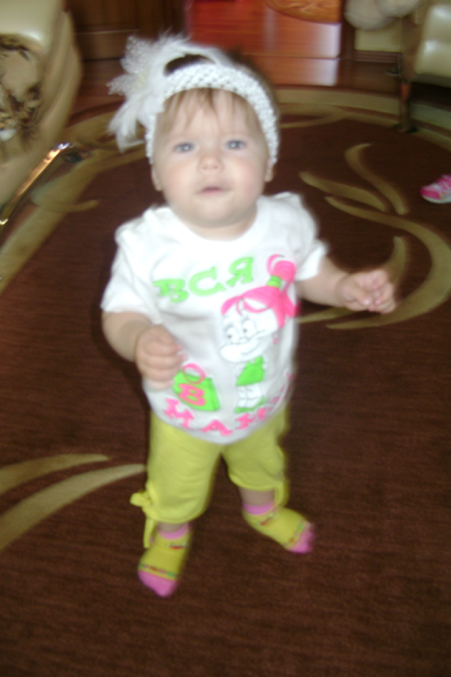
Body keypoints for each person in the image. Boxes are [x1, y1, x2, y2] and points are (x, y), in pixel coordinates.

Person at [101, 35, 397, 597]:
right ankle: (171, 531)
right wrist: (137, 338)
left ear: (268, 162)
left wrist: (344, 286)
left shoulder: (285, 223)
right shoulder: (146, 246)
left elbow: (310, 272)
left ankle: (262, 508)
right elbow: (119, 312)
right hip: (185, 407)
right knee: (177, 481)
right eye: (185, 146)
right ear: (157, 172)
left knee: (263, 462)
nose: (211, 160)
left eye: (235, 142)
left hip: (263, 395)